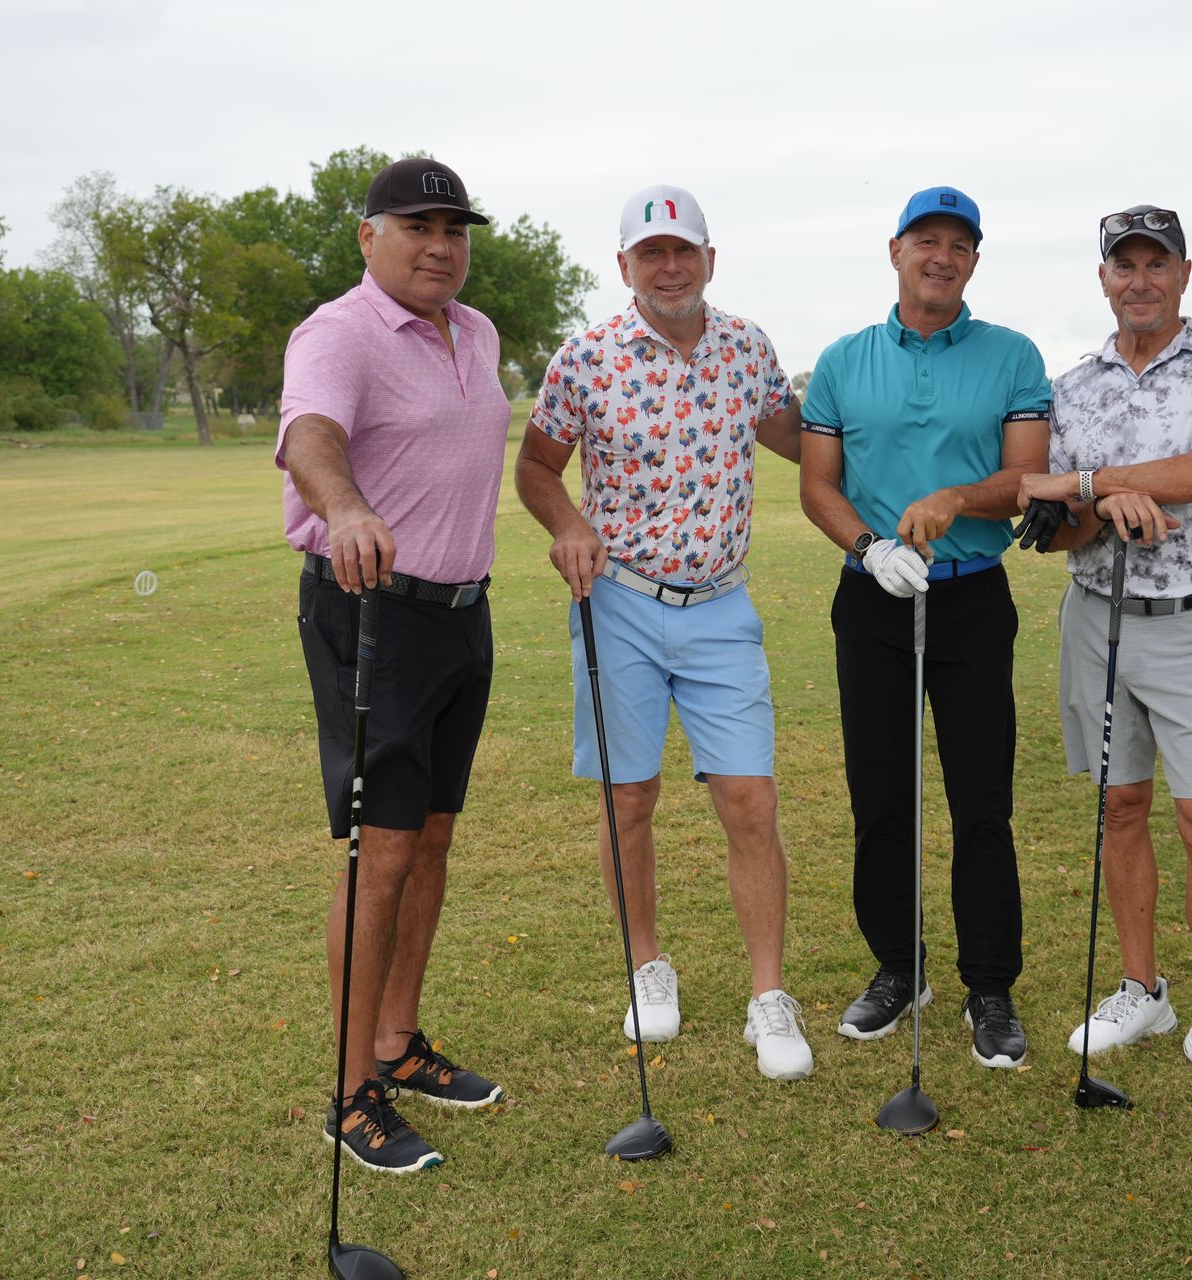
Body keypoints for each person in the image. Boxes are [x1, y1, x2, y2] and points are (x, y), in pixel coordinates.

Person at [515, 184, 814, 1082]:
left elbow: (796, 438)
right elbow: (537, 465)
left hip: (722, 606)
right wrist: (568, 524)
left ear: (710, 259)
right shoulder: (586, 358)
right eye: (652, 254)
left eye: (683, 251)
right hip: (620, 603)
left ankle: (769, 996)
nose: (670, 267)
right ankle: (647, 966)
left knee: (750, 801)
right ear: (625, 267)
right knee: (628, 799)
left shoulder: (748, 348)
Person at [277, 157, 507, 1174]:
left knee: (435, 836)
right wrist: (344, 503)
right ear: (368, 236)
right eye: (416, 226)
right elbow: (310, 436)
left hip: (463, 615)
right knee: (385, 850)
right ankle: (349, 1088)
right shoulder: (340, 331)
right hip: (371, 612)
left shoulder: (479, 329)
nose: (439, 244)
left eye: (453, 228)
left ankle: (397, 1042)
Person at [1016, 204, 1192, 1107]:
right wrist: (1093, 508)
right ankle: (1142, 991)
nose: (1140, 280)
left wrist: (1089, 482)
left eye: (1155, 264)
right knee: (1120, 809)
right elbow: (1056, 523)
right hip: (1098, 618)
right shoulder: (1073, 386)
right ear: (1104, 279)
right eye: (1124, 266)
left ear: (1184, 274)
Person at [799, 186, 1051, 1070]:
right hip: (873, 597)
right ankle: (898, 966)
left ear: (974, 260)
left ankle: (990, 985)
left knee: (982, 799)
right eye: (926, 240)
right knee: (882, 796)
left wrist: (953, 498)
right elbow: (818, 485)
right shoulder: (842, 359)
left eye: (959, 244)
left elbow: (1026, 478)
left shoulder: (1013, 355)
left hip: (973, 596)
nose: (941, 256)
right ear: (896, 250)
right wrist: (868, 547)